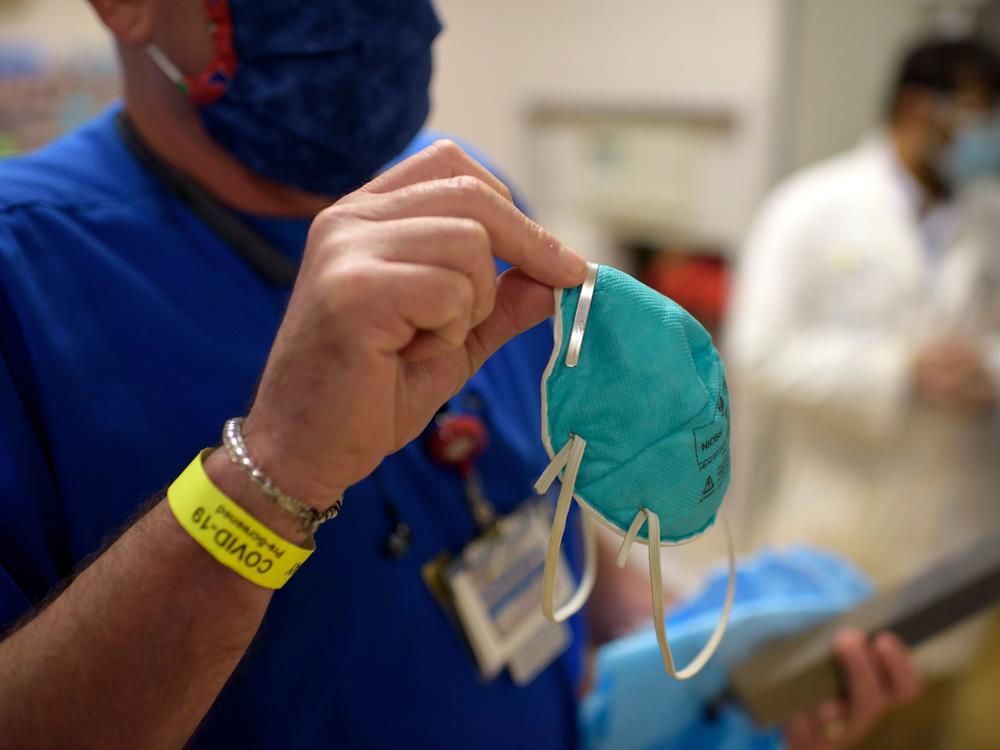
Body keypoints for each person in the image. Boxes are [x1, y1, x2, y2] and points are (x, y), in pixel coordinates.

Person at [0, 1, 917, 747]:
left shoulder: (460, 190)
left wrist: (700, 678)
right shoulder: (29, 275)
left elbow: (522, 495)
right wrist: (270, 474)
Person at [728, 36, 1000, 748]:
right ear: (919, 107)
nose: (989, 133)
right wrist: (899, 372)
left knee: (918, 716)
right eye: (980, 112)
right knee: (818, 718)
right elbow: (755, 356)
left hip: (952, 549)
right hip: (831, 533)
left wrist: (986, 370)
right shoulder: (809, 207)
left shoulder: (992, 220)